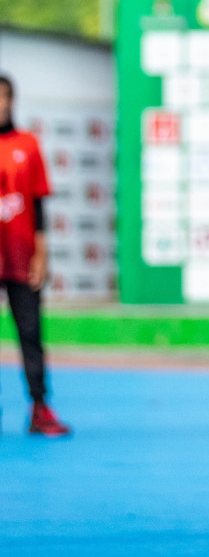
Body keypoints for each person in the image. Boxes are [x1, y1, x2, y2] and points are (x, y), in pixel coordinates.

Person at [0, 75, 70, 436]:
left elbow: (38, 202)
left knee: (30, 331)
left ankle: (40, 407)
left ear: (12, 101)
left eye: (3, 97)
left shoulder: (27, 144)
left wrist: (41, 254)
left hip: (21, 256)